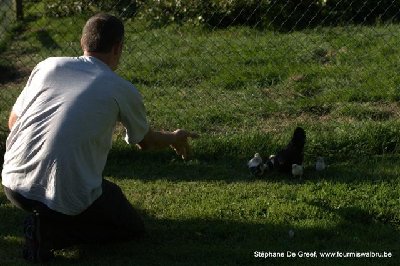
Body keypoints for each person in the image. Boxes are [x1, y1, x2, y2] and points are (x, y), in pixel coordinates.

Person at [1, 13, 198, 263]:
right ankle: (48, 234)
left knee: (103, 193)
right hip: (64, 194)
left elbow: (13, 122)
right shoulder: (120, 87)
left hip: (13, 183)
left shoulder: (48, 65)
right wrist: (174, 137)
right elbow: (145, 142)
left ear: (83, 42)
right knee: (130, 227)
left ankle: (44, 221)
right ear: (118, 48)